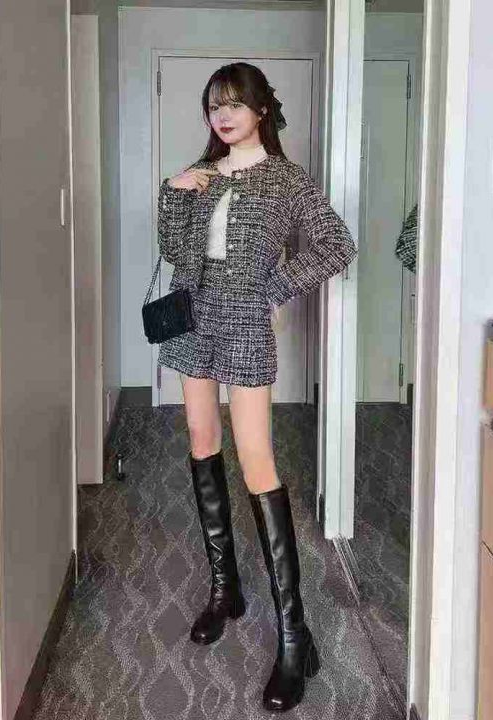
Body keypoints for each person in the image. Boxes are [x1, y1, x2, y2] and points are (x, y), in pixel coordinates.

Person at [156, 61, 357, 713]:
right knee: (201, 439)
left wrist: (273, 288)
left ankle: (295, 638)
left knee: (257, 461)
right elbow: (176, 252)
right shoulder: (203, 173)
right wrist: (174, 192)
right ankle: (226, 590)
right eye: (214, 104)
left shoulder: (287, 180)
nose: (222, 114)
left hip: (243, 322)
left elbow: (336, 244)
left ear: (261, 110)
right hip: (192, 318)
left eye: (235, 103)